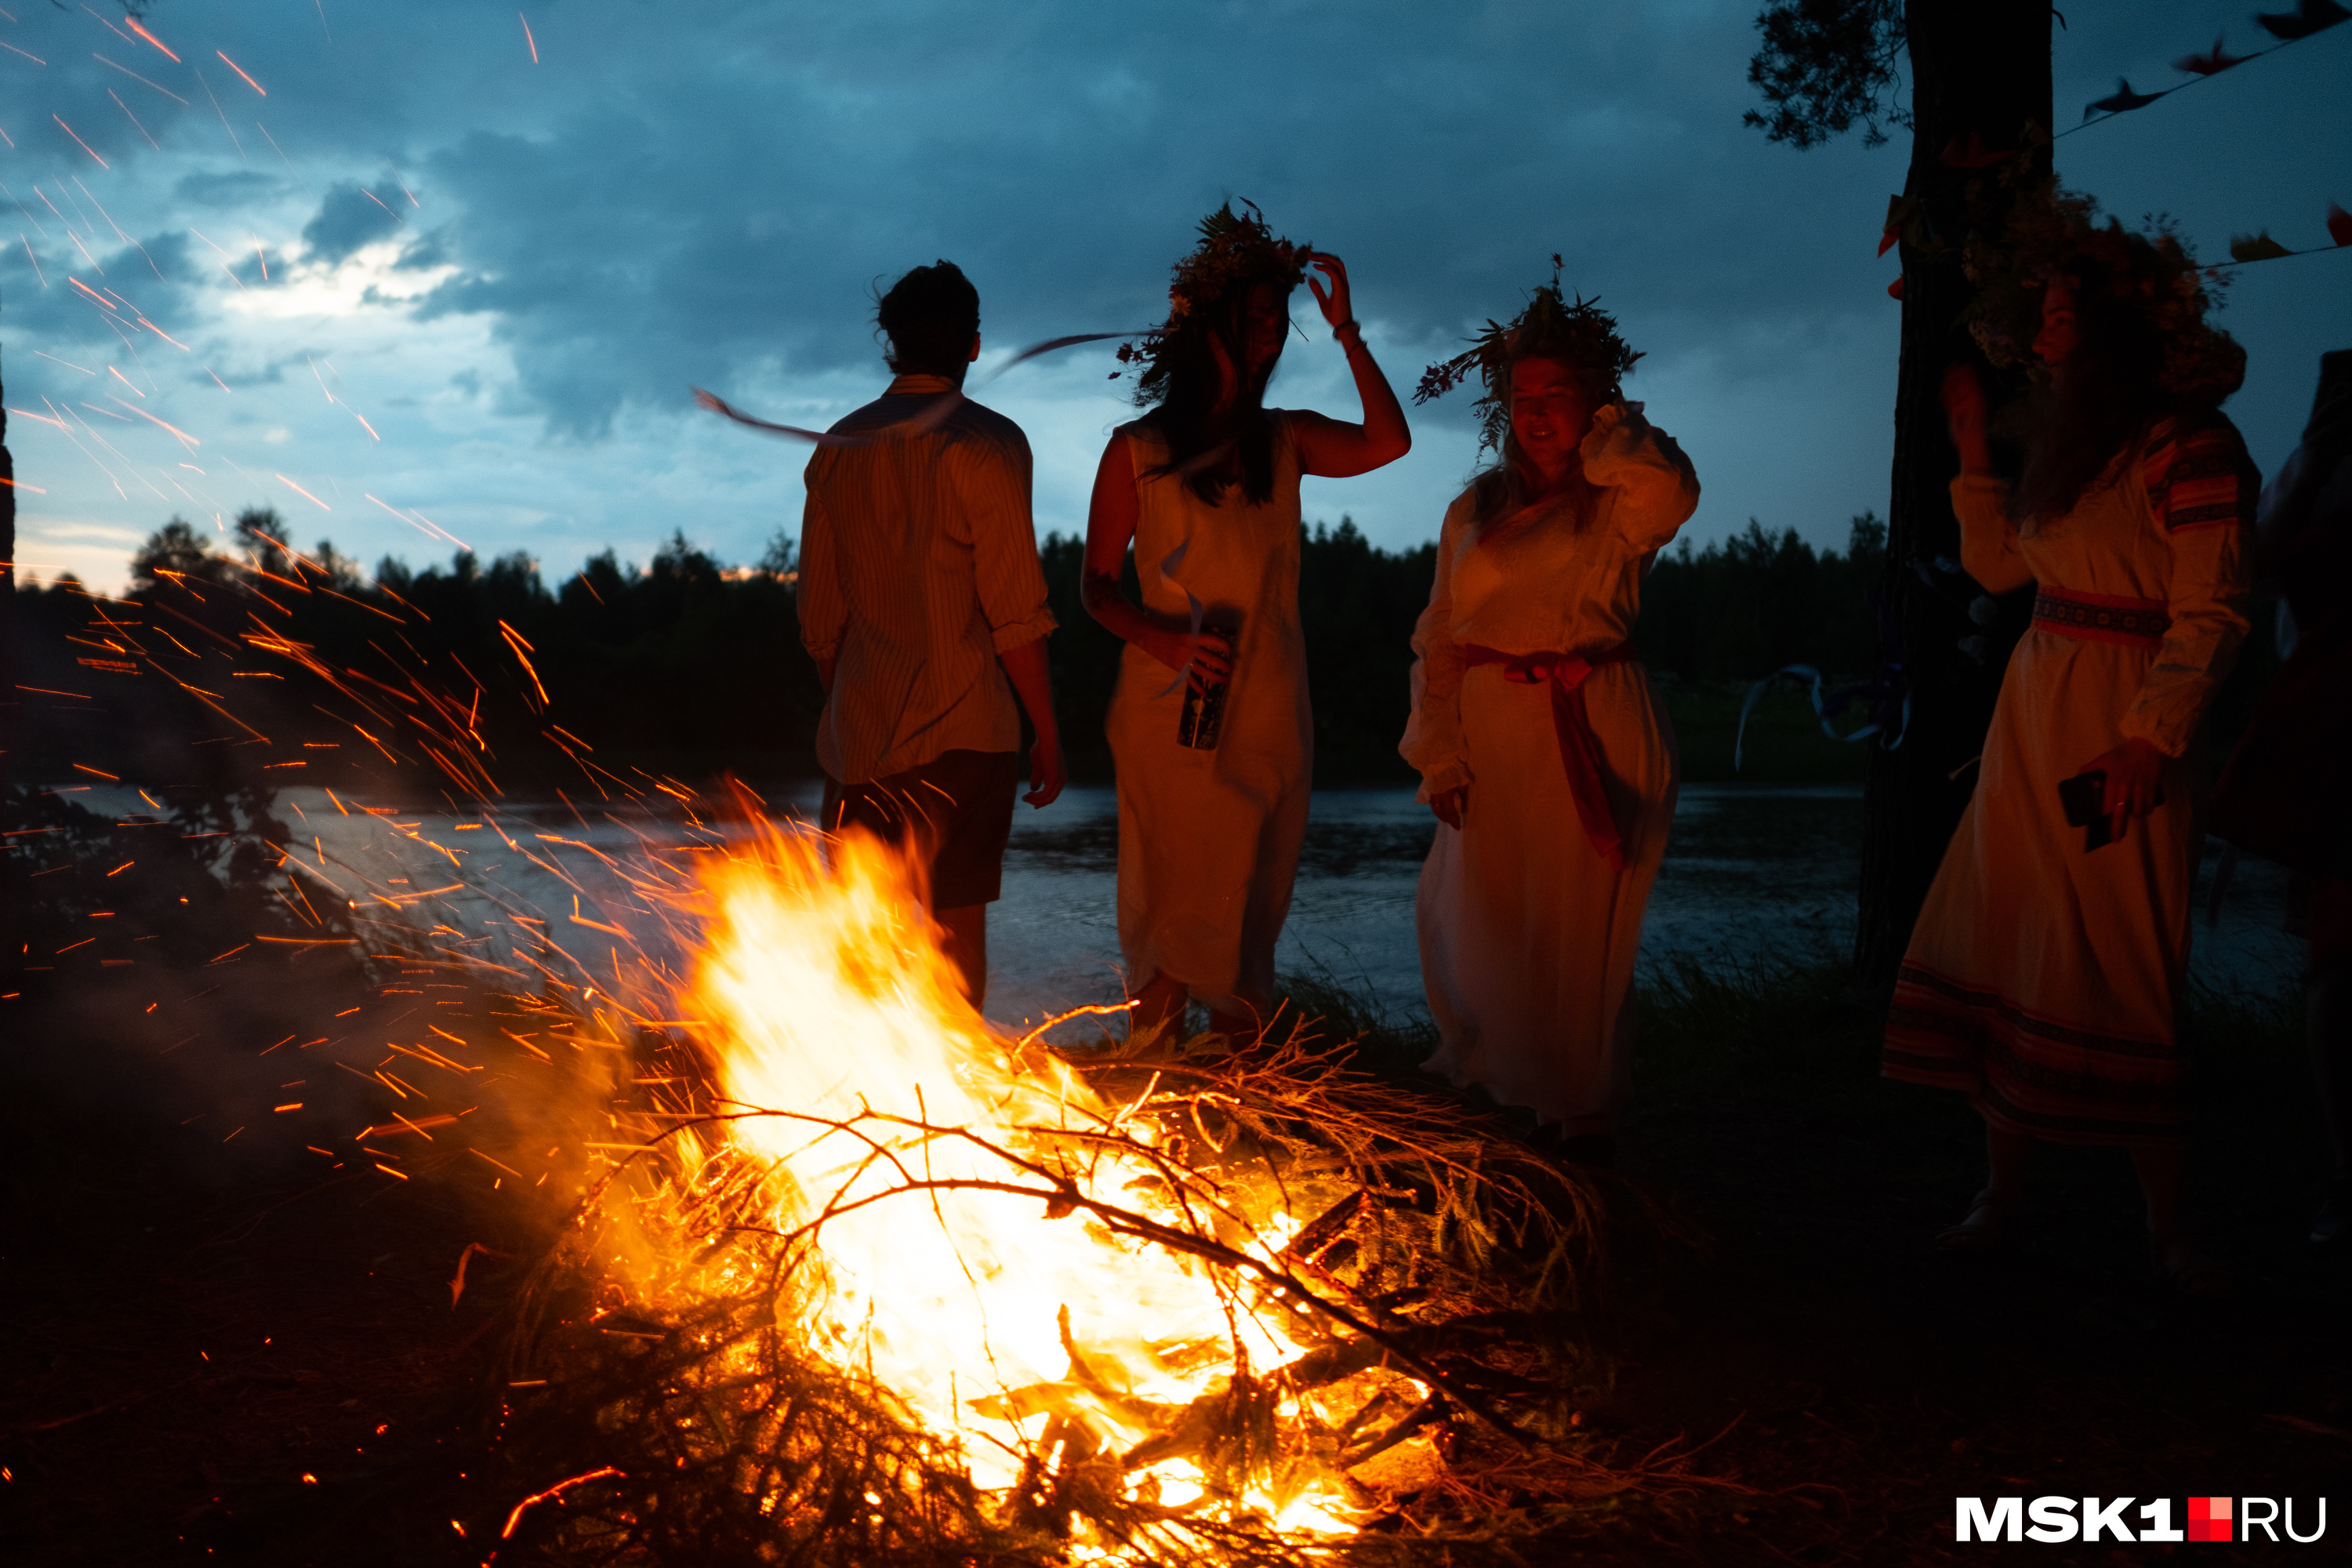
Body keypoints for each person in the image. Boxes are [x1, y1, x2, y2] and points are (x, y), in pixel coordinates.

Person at [1879, 205, 2256, 1290]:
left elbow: (2216, 611)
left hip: (2121, 724)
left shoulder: (2194, 445)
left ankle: (2170, 1227)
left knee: (2124, 954)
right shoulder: (2069, 442)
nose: (2037, 339)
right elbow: (2001, 569)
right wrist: (1967, 440)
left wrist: (2151, 742)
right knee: (2017, 938)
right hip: (2035, 708)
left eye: (2053, 319)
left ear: (2113, 330)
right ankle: (2001, 1197)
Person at [1080, 205, 1410, 1041]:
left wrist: (1346, 330)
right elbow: (1094, 587)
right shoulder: (1138, 450)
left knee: (1247, 918)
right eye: (1258, 320)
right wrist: (1159, 638)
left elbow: (1387, 441)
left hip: (1268, 707)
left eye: (1278, 321)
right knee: (1167, 909)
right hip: (1169, 711)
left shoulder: (1285, 439)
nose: (1271, 337)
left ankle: (1237, 1113)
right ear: (1211, 323)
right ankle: (1152, 1093)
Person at [1401, 278, 1698, 1162]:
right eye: (1522, 399)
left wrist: (1606, 428)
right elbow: (1439, 637)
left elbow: (1672, 491)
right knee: (1488, 925)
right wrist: (1440, 754)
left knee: (1578, 934)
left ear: (1594, 402)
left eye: (1556, 396)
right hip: (1494, 739)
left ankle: (1588, 1126)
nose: (1535, 414)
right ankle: (1540, 1110)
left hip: (1593, 726)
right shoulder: (1474, 508)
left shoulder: (1621, 498)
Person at [789, 260, 1066, 1006]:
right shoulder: (991, 444)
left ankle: (862, 1106)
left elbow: (820, 620)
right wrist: (1046, 730)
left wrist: (854, 702)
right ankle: (944, 1104)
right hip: (968, 734)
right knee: (955, 939)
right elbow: (1015, 612)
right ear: (972, 346)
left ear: (893, 343)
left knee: (862, 944)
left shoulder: (838, 446)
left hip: (861, 737)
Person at [2209, 350, 2352, 1244]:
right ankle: (2348, 1169)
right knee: (2341, 949)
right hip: (2341, 716)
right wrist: (2323, 443)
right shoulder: (2336, 426)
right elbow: (2255, 560)